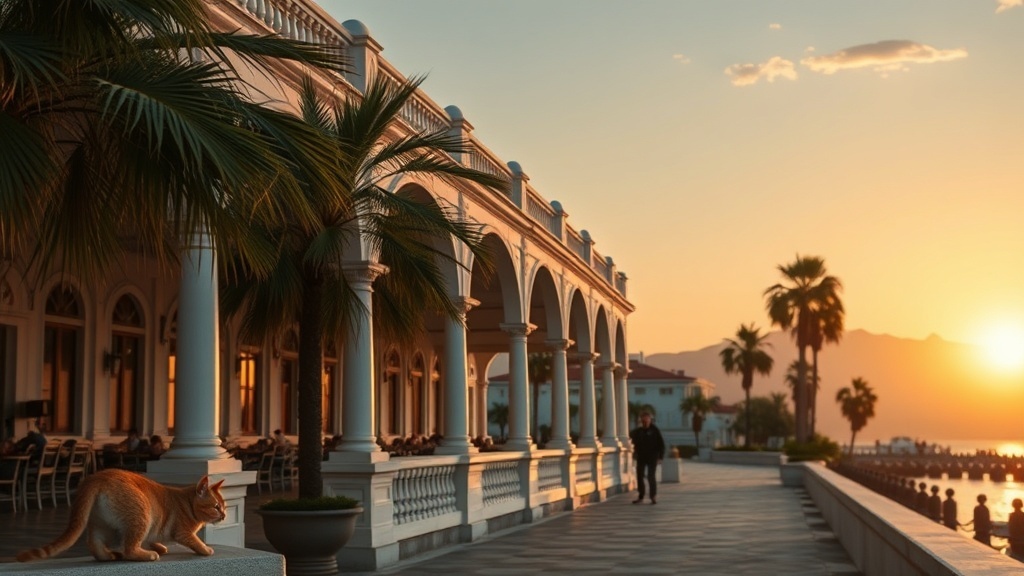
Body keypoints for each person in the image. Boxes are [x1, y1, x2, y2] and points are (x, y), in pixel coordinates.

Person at [629, 411, 665, 505]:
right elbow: (631, 439)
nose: (645, 422)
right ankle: (641, 496)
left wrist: (660, 457)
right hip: (641, 456)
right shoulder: (638, 431)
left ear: (650, 420)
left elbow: (661, 444)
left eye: (646, 420)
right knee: (639, 475)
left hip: (652, 456)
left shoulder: (655, 430)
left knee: (651, 476)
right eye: (643, 420)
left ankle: (653, 496)